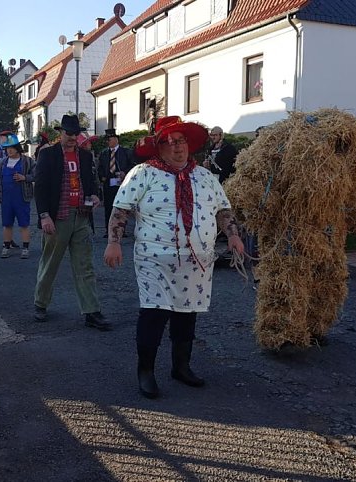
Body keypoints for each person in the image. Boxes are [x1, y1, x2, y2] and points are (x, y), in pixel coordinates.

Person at [104, 116, 245, 399]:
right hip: (154, 259)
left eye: (180, 141)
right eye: (169, 142)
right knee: (155, 313)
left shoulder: (204, 176)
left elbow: (222, 209)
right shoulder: (143, 173)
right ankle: (146, 371)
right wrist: (113, 243)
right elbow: (121, 210)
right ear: (159, 148)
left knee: (187, 313)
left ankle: (181, 367)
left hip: (197, 260)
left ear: (188, 144)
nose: (176, 147)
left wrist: (232, 234)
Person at [33, 114, 110, 330]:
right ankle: (40, 303)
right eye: (68, 133)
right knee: (50, 263)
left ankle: (91, 311)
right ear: (61, 132)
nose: (72, 137)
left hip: (82, 216)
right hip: (58, 217)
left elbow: (90, 181)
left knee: (85, 266)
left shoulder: (84, 156)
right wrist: (44, 215)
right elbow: (40, 186)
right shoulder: (48, 154)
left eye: (75, 134)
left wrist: (94, 195)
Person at [0, 133, 35, 259]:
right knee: (6, 223)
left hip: (22, 197)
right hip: (6, 198)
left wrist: (25, 177)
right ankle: (6, 246)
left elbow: (37, 175)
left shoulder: (28, 161)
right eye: (7, 148)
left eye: (12, 147)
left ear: (17, 147)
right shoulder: (2, 162)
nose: (9, 150)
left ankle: (25, 248)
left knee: (24, 223)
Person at [98, 128, 134, 237]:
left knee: (121, 206)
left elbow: (132, 165)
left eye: (110, 139)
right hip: (108, 183)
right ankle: (108, 230)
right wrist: (102, 177)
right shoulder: (104, 153)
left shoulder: (125, 152)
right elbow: (100, 167)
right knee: (108, 206)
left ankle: (121, 229)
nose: (108, 141)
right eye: (107, 140)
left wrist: (125, 173)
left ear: (116, 139)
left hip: (121, 183)